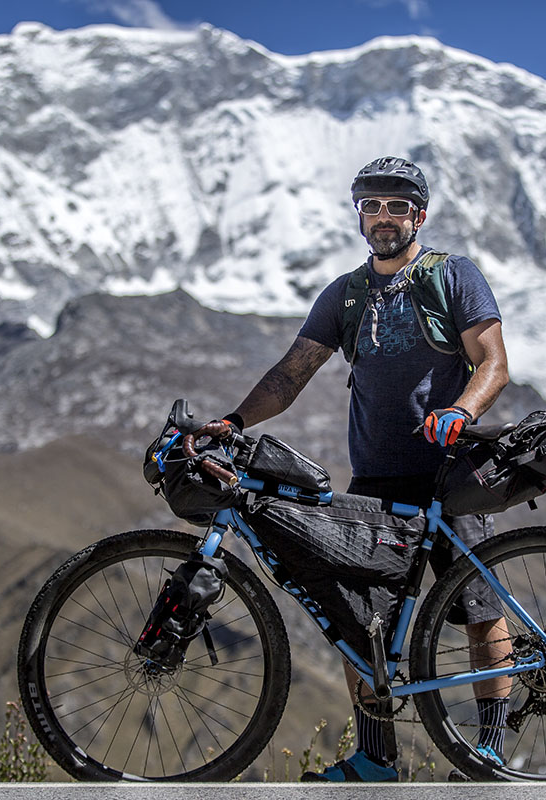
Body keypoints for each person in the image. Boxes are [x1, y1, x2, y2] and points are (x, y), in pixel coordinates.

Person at [215, 156, 512, 782]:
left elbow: (493, 363)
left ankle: (490, 752)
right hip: (375, 481)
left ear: (419, 215)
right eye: (371, 206)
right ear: (359, 216)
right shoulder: (345, 294)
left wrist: (461, 409)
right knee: (362, 621)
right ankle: (377, 758)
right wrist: (234, 423)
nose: (383, 218)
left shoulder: (452, 276)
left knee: (479, 606)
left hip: (449, 476)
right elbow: (290, 374)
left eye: (396, 207)